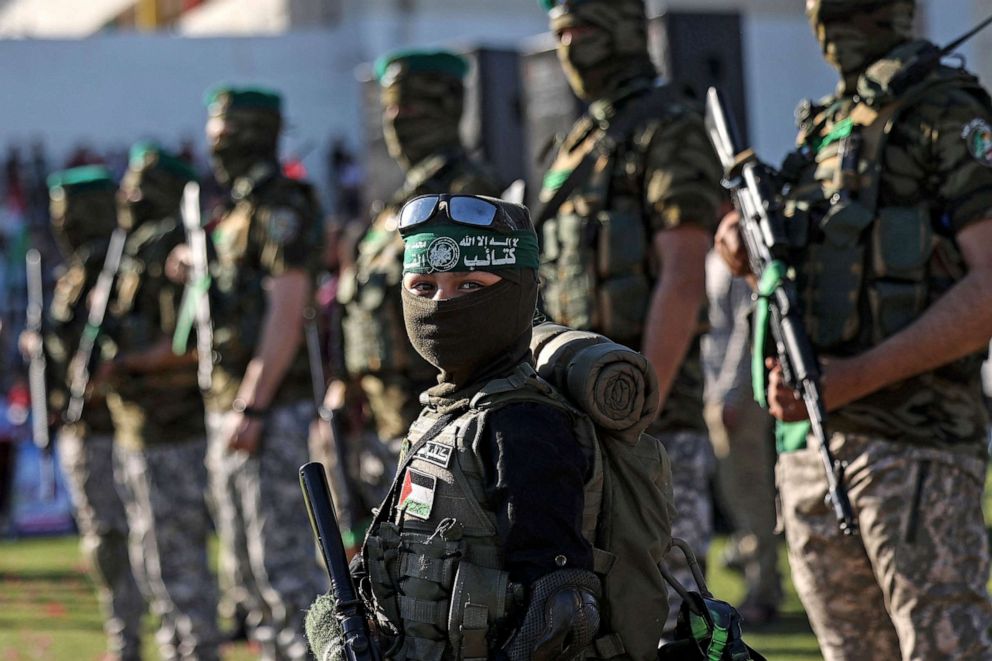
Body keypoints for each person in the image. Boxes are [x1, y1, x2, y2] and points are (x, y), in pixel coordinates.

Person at [716, 1, 992, 658]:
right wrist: (745, 258)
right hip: (814, 452)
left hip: (914, 450)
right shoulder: (825, 128)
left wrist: (851, 379)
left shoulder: (948, 112)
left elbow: (989, 285)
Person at [308, 194, 677, 660]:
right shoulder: (443, 413)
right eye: (423, 287)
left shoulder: (521, 425)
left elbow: (562, 607)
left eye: (469, 286)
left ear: (518, 289)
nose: (441, 303)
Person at [535, 0, 723, 625]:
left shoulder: (668, 126)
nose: (570, 47)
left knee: (666, 622)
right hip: (576, 428)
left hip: (651, 430)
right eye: (560, 34)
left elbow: (683, 274)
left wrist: (633, 416)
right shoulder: (576, 141)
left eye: (583, 31)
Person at [172, 85, 326, 660]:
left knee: (283, 571)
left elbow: (287, 310)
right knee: (247, 575)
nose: (219, 145)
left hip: (269, 411)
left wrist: (254, 405)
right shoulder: (230, 214)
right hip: (229, 406)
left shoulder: (283, 204)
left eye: (229, 133)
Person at [333, 49, 503, 520]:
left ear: (446, 108)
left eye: (408, 110)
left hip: (438, 421)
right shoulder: (400, 204)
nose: (395, 123)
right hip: (383, 420)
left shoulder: (468, 195)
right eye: (388, 110)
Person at [101, 142, 220, 660]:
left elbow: (191, 344)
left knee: (179, 562)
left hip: (175, 433)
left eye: (139, 183)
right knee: (154, 561)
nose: (128, 193)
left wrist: (128, 365)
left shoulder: (175, 246)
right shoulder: (130, 252)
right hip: (136, 430)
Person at [21, 166, 144, 660]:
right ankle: (124, 636)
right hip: (80, 430)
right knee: (105, 540)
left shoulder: (113, 268)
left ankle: (132, 637)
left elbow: (116, 343)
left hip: (110, 429)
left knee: (125, 539)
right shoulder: (72, 275)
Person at [701, 250, 780, 625]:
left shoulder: (739, 251)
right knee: (732, 494)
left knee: (750, 494)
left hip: (738, 396)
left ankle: (762, 592)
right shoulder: (714, 251)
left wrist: (730, 394)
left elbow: (744, 330)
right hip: (716, 390)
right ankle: (744, 564)